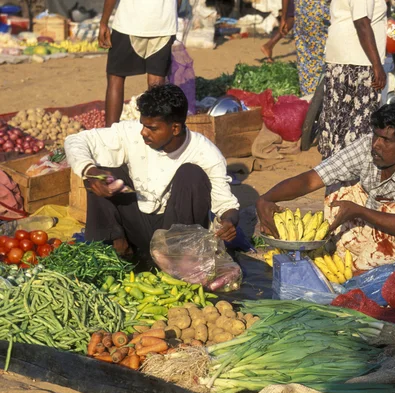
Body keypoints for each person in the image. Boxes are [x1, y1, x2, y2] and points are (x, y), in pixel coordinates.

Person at [256, 103, 395, 271]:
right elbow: (313, 179)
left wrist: (359, 211)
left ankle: (371, 266)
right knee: (338, 185)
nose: (376, 144)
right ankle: (346, 254)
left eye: (386, 140)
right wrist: (266, 198)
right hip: (376, 211)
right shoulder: (369, 145)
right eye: (376, 135)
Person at [64, 84, 240, 258]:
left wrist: (229, 222)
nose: (143, 132)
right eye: (143, 125)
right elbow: (75, 141)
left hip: (175, 232)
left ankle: (176, 258)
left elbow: (227, 205)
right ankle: (117, 250)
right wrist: (91, 171)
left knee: (191, 173)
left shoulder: (205, 153)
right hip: (137, 223)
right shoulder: (132, 132)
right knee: (99, 172)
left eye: (152, 128)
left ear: (175, 128)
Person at [317, 0, 388, 159]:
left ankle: (335, 171)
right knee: (360, 121)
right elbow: (361, 22)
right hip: (358, 61)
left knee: (338, 119)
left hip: (343, 57)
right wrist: (376, 64)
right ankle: (350, 173)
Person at [98, 0, 180, 127]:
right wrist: (172, 17)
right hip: (164, 24)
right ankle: (153, 132)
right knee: (156, 85)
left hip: (129, 22)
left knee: (115, 77)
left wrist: (104, 22)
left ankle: (110, 134)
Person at [283, 0, 330, 95]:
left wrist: (284, 17)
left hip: (303, 12)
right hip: (322, 12)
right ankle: (323, 97)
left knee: (306, 59)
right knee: (327, 58)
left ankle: (309, 97)